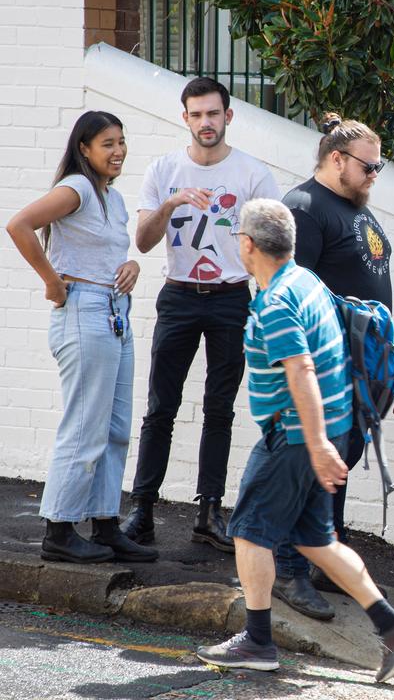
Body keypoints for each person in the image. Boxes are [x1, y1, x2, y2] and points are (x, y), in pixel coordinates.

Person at [196, 198, 394, 681]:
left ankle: (257, 641)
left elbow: (302, 371)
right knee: (315, 539)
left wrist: (316, 443)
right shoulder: (308, 282)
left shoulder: (277, 302)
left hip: (296, 437)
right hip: (331, 431)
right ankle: (392, 623)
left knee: (249, 530)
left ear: (248, 244)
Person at [121, 77, 280, 552]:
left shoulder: (253, 174)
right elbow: (144, 242)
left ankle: (208, 512)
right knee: (159, 408)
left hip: (231, 298)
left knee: (220, 408)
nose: (205, 122)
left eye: (213, 114)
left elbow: (272, 247)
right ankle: (143, 510)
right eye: (197, 114)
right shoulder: (164, 169)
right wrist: (172, 201)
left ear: (228, 117)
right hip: (179, 295)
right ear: (184, 117)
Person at [4, 111, 154, 564]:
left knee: (114, 428)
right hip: (83, 313)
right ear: (84, 149)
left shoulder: (115, 198)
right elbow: (18, 225)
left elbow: (111, 253)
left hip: (114, 313)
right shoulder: (77, 188)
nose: (118, 151)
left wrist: (132, 266)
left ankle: (105, 522)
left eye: (121, 142)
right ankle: (60, 529)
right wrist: (51, 281)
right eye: (107, 143)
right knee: (85, 426)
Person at [274, 114, 393, 620]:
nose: (374, 175)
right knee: (307, 470)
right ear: (337, 158)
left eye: (379, 166)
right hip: (323, 370)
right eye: (369, 166)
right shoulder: (303, 208)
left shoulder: (354, 207)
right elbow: (289, 295)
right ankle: (288, 573)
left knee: (335, 472)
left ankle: (325, 560)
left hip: (358, 374)